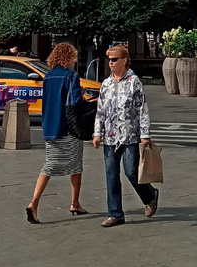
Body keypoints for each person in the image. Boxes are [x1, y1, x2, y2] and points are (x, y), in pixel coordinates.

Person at [92, 45, 158, 227]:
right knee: (111, 174)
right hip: (110, 136)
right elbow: (100, 111)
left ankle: (150, 195)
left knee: (131, 171)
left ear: (124, 61)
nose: (111, 63)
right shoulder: (106, 84)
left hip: (130, 135)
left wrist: (145, 134)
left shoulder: (133, 82)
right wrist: (97, 133)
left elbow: (142, 109)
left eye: (114, 60)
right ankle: (115, 213)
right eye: (109, 60)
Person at [26, 42, 86, 224]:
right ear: (69, 57)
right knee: (75, 164)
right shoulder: (71, 76)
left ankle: (36, 202)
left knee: (50, 165)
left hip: (50, 126)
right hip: (68, 127)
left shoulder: (48, 76)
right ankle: (72, 203)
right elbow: (75, 101)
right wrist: (82, 93)